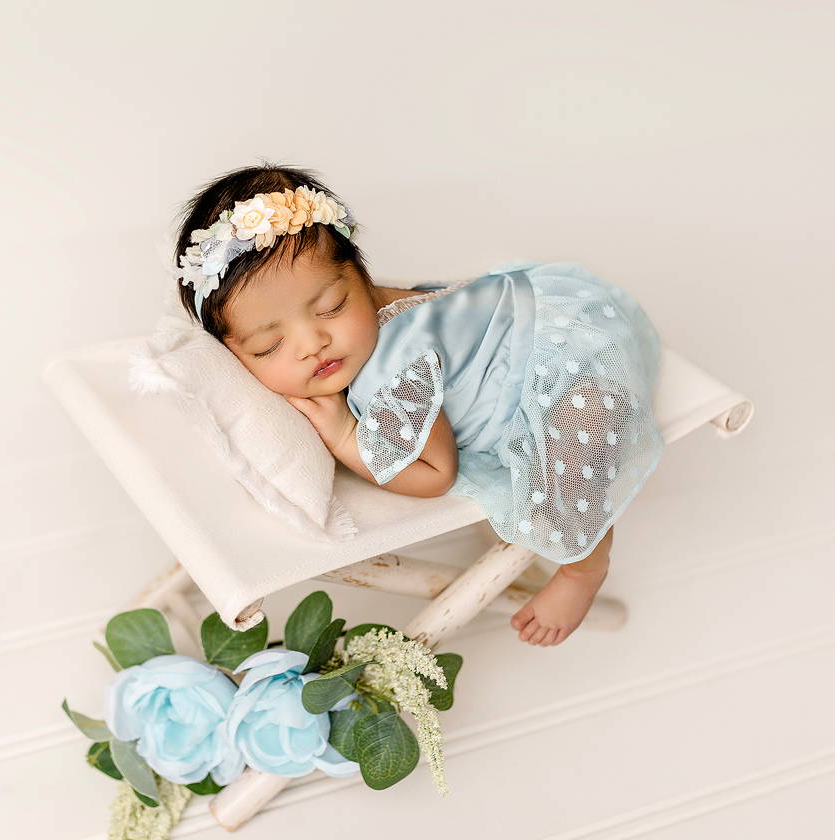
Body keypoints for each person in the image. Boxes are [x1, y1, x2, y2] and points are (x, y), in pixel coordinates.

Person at [173, 161, 665, 647]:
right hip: (539, 308)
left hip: (566, 372)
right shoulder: (362, 318)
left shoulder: (392, 371)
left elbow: (435, 473)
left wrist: (346, 435)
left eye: (330, 308)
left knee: (575, 447)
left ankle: (583, 569)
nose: (312, 343)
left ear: (361, 277)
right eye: (269, 346)